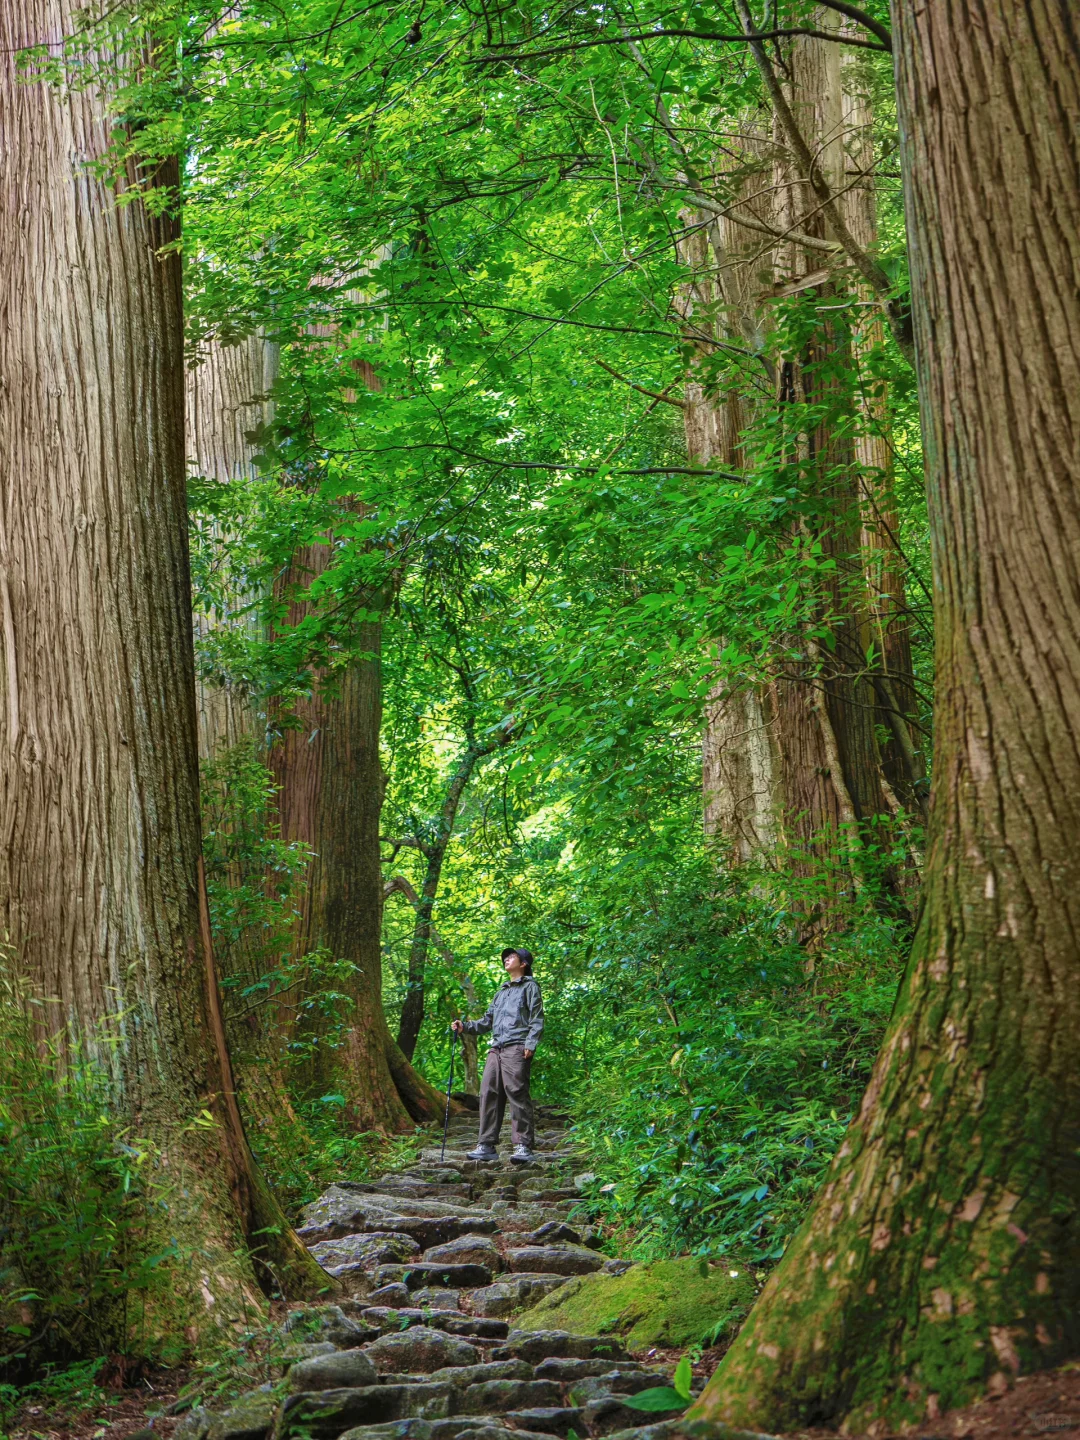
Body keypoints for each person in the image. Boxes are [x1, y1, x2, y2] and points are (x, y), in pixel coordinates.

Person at [452, 947, 543, 1163]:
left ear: (523, 964)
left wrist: (531, 1043)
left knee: (517, 1092)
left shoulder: (530, 987)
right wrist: (464, 1026)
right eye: (505, 957)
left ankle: (523, 1146)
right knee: (488, 1093)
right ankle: (486, 1145)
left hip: (517, 1046)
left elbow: (537, 1018)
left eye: (511, 957)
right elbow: (487, 1021)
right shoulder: (501, 992)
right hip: (497, 1048)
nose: (506, 960)